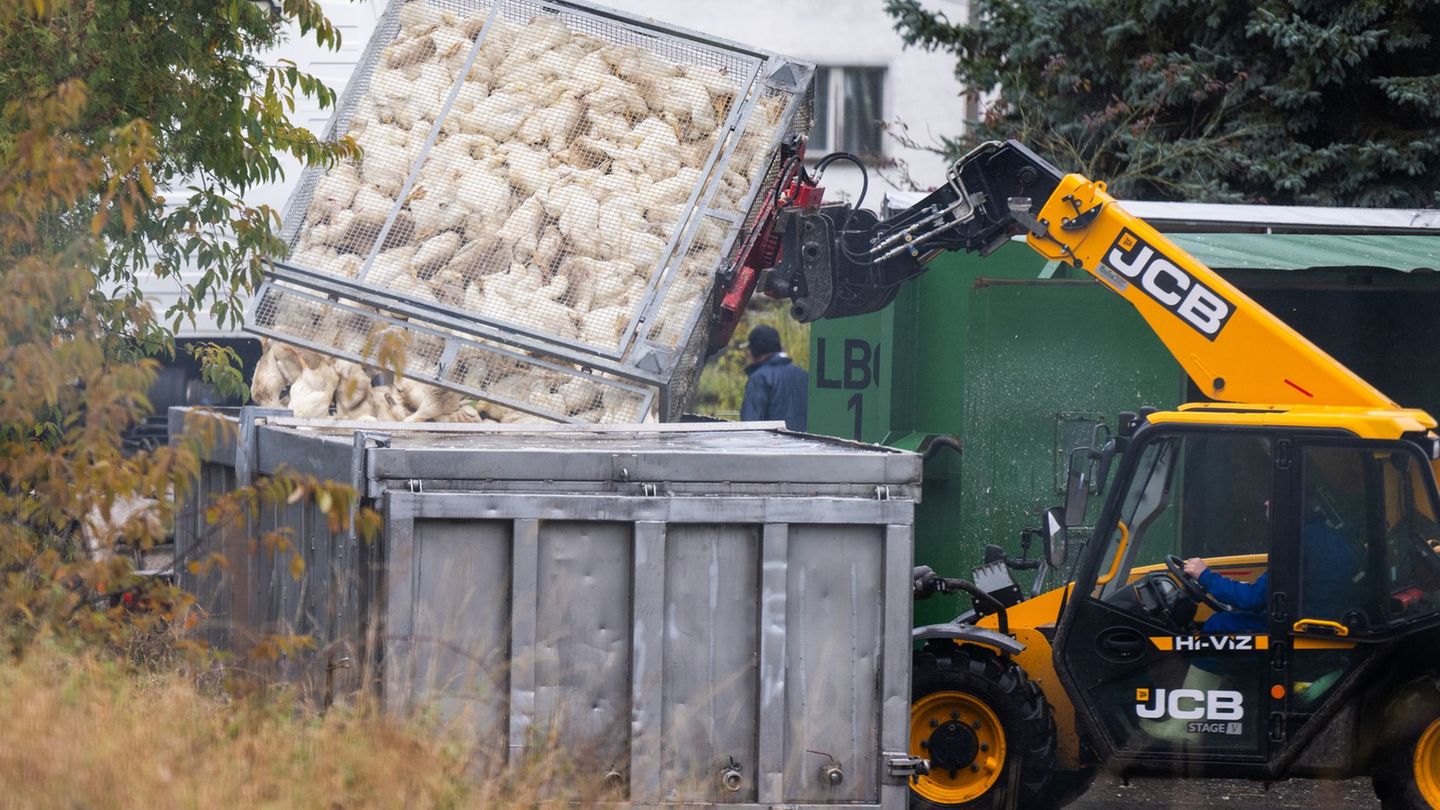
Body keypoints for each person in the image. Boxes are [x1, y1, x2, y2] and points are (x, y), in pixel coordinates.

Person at [1182, 501, 1356, 633]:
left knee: (1218, 625)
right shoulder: (1324, 537)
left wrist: (1205, 576)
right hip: (1313, 618)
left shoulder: (1297, 543)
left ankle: (1196, 683)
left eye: (1274, 496)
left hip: (1300, 628)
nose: (1266, 502)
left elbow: (1253, 600)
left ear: (1291, 503)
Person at [739, 324, 808, 431]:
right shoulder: (803, 374)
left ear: (754, 351)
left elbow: (751, 425)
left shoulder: (759, 378)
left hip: (773, 446)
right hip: (806, 445)